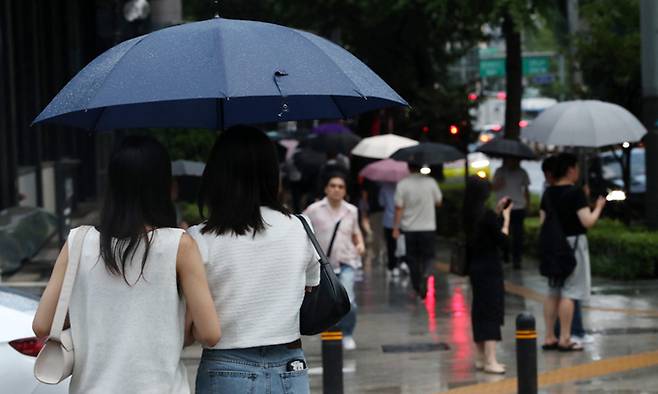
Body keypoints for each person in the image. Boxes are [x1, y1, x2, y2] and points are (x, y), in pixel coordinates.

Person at [33, 136, 220, 394]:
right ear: (166, 187)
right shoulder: (179, 245)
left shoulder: (78, 241)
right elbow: (209, 333)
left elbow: (42, 325)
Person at [189, 126, 320, 394]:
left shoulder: (197, 238)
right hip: (289, 365)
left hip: (225, 367)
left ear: (217, 174)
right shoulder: (300, 227)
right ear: (272, 172)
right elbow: (309, 287)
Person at [540, 153, 605, 352]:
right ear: (570, 170)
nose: (577, 171)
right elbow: (588, 222)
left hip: (552, 246)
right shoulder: (575, 193)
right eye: (576, 168)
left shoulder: (548, 193)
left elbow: (543, 223)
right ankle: (566, 338)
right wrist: (599, 207)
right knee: (570, 292)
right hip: (573, 245)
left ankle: (549, 336)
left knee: (553, 292)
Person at [305, 173, 365, 351]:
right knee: (327, 301)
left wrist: (360, 243)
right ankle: (330, 332)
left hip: (347, 260)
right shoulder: (314, 210)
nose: (336, 189)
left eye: (340, 186)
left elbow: (356, 231)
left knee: (349, 301)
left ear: (345, 191)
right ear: (326, 189)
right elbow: (303, 232)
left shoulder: (351, 210)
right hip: (323, 265)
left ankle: (347, 333)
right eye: (333, 185)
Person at [464, 176, 512, 374]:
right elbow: (503, 241)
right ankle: (491, 360)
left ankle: (480, 357)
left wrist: (497, 211)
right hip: (490, 269)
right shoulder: (487, 217)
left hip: (475, 269)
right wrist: (506, 219)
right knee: (491, 312)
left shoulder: (467, 215)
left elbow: (484, 231)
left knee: (479, 311)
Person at [392, 163, 443, 299]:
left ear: (408, 168)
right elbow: (439, 202)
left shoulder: (402, 184)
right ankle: (426, 273)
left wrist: (396, 227)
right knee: (429, 256)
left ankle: (416, 286)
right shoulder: (431, 182)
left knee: (412, 258)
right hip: (428, 227)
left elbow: (398, 207)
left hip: (409, 228)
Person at [492, 157, 530, 269]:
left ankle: (517, 260)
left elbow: (526, 189)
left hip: (518, 207)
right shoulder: (500, 171)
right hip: (504, 207)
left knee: (518, 235)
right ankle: (505, 255)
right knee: (503, 234)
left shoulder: (522, 172)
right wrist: (499, 182)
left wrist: (527, 205)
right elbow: (494, 188)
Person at [378, 181, 400, 276]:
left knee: (391, 245)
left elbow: (381, 202)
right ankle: (402, 262)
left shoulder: (384, 187)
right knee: (402, 243)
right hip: (403, 220)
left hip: (389, 220)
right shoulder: (402, 185)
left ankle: (392, 266)